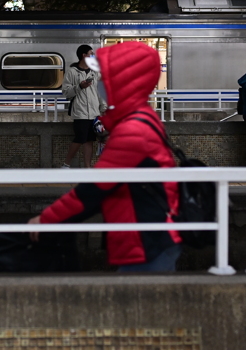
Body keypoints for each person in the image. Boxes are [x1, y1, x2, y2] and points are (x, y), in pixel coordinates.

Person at [28, 41, 182, 272]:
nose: (102, 84)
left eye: (108, 78)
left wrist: (47, 219)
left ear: (122, 83)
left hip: (146, 239)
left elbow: (94, 190)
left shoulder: (132, 131)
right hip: (148, 235)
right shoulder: (142, 119)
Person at [60, 44, 106, 168]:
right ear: (83, 55)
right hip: (80, 112)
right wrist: (80, 87)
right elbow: (66, 92)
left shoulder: (94, 72)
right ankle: (66, 164)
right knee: (80, 138)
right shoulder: (72, 72)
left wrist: (103, 108)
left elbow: (99, 91)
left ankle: (87, 167)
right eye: (91, 54)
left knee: (89, 140)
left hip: (94, 111)